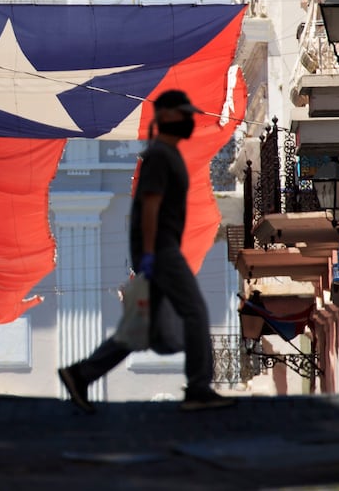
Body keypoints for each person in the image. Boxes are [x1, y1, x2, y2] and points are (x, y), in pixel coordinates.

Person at [58, 89, 236, 413]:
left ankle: (81, 374)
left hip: (160, 250)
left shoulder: (165, 154)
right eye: (184, 113)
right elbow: (151, 205)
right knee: (194, 310)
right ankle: (198, 387)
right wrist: (152, 255)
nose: (189, 120)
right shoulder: (159, 156)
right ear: (167, 116)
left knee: (138, 330)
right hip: (162, 251)